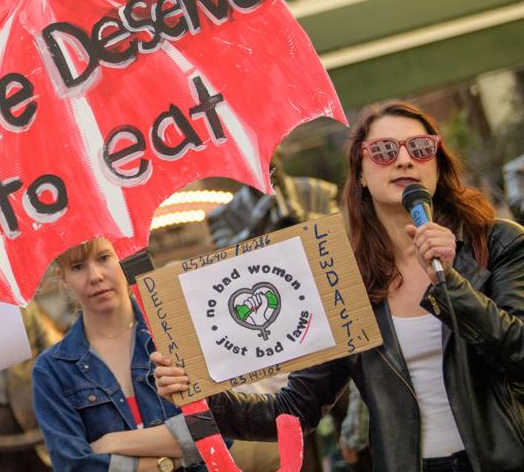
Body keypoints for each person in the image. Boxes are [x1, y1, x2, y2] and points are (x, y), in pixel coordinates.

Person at [152, 101, 524, 472]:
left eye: (421, 148)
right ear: (359, 173)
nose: (405, 160)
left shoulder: (495, 245)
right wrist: (199, 394)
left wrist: (450, 283)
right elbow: (295, 410)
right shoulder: (346, 279)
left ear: (438, 165)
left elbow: (518, 351)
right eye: (383, 151)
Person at [32, 236, 204, 471]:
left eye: (103, 258)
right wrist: (167, 463)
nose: (95, 276)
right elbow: (72, 465)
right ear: (63, 278)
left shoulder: (176, 332)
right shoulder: (52, 370)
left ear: (123, 255)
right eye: (78, 267)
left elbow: (220, 429)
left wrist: (111, 443)